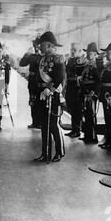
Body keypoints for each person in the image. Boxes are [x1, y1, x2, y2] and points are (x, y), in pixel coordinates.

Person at [33, 31, 66, 163]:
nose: (40, 47)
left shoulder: (58, 58)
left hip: (53, 95)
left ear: (49, 45)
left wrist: (49, 89)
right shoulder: (42, 59)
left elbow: (59, 77)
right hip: (42, 95)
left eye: (42, 44)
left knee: (53, 125)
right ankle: (45, 153)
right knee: (44, 125)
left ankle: (59, 152)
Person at [79, 42, 101, 144]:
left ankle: (92, 137)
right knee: (86, 114)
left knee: (91, 115)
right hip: (85, 91)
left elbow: (98, 81)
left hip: (91, 93)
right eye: (88, 52)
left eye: (91, 53)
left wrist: (93, 92)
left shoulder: (96, 65)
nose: (88, 55)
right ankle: (87, 135)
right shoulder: (87, 64)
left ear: (95, 54)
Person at [64, 43, 86, 138]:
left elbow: (84, 75)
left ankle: (77, 130)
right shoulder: (69, 60)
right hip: (69, 87)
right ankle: (74, 129)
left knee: (77, 110)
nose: (72, 51)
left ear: (80, 51)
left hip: (78, 88)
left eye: (74, 50)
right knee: (71, 109)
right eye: (71, 49)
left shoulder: (83, 61)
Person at [19, 36, 42, 129]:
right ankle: (34, 122)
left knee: (40, 102)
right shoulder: (31, 56)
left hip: (40, 81)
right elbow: (22, 63)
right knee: (32, 101)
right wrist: (27, 54)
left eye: (38, 45)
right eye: (35, 45)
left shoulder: (45, 57)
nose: (36, 47)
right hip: (32, 81)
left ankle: (40, 122)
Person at [0, 41, 11, 130]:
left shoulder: (5, 64)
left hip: (0, 86)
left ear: (2, 52)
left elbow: (7, 77)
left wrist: (6, 87)